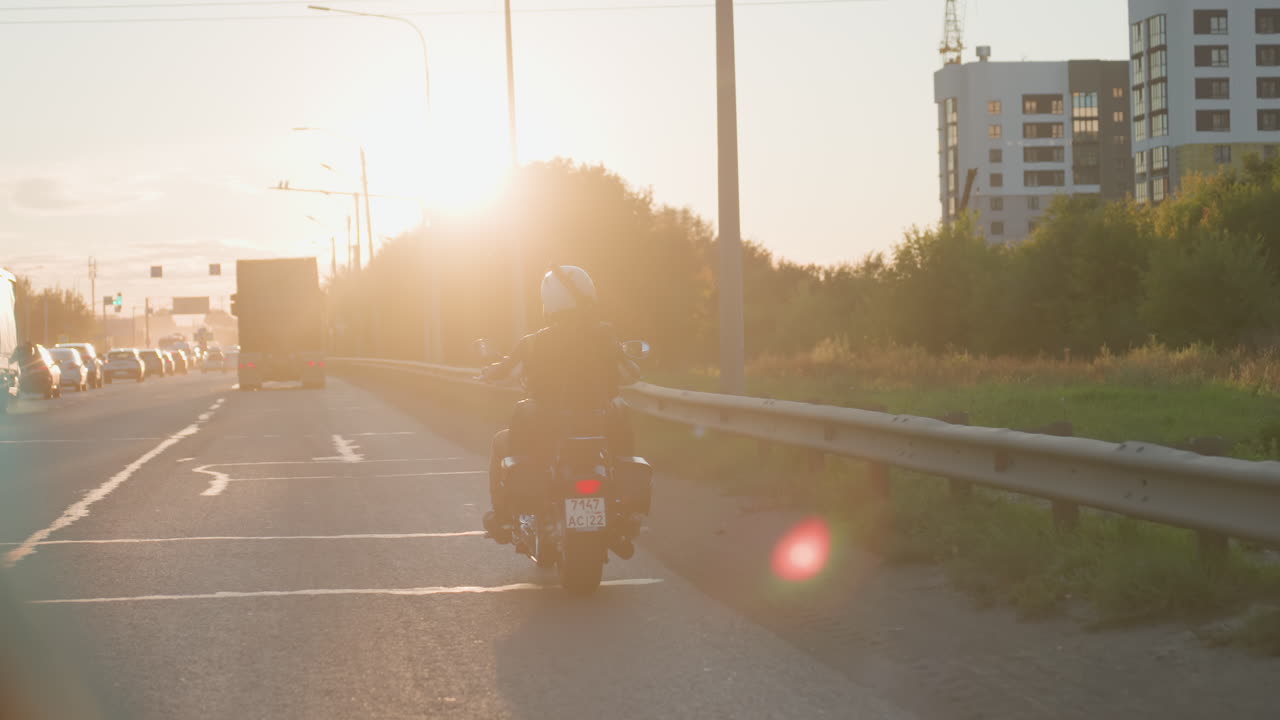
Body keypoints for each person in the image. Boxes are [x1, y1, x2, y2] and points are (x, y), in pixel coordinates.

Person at [479, 265, 639, 542]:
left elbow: (503, 371)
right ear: (589, 295)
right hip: (599, 422)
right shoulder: (606, 337)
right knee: (622, 419)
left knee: (502, 441)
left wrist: (488, 370)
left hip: (548, 424)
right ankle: (626, 516)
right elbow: (632, 374)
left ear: (548, 301)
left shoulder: (533, 342)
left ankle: (504, 518)